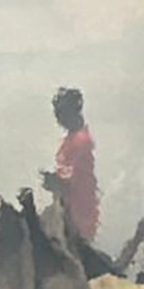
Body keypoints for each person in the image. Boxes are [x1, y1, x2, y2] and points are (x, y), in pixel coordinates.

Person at [44, 87, 100, 242]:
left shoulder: (80, 141)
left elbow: (68, 179)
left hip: (79, 212)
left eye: (61, 114)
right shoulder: (71, 139)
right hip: (69, 209)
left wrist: (53, 181)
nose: (58, 119)